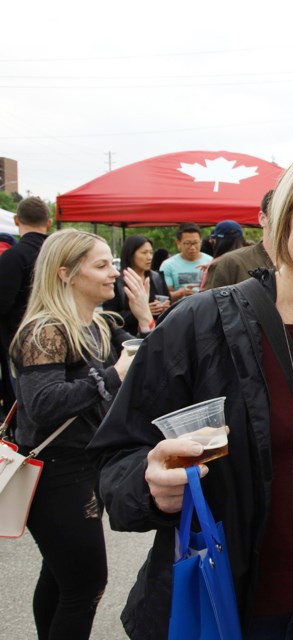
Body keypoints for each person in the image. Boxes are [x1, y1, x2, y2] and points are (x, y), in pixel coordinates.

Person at [87, 146, 293, 639]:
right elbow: (114, 462)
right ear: (279, 221)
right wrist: (150, 484)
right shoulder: (198, 324)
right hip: (221, 607)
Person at [8, 229, 150, 640]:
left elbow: (149, 359)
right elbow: (43, 404)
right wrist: (112, 375)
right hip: (56, 471)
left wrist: (143, 317)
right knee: (86, 584)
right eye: (102, 265)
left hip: (86, 465)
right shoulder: (45, 330)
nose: (113, 273)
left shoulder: (101, 324)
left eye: (112, 263)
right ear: (66, 273)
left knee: (60, 576)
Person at [0, 196, 51, 422]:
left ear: (16, 219)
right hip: (65, 340)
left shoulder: (13, 256)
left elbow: (2, 303)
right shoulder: (60, 255)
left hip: (20, 344)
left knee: (25, 408)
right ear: (48, 222)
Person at [201, 191, 276, 290]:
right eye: (277, 214)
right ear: (262, 219)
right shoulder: (230, 263)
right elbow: (208, 304)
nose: (285, 220)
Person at [102, 235, 172, 333]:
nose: (149, 257)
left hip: (156, 333)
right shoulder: (116, 281)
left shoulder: (157, 278)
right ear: (131, 254)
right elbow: (109, 316)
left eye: (151, 252)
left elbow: (168, 303)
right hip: (126, 339)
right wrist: (141, 312)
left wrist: (165, 307)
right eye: (144, 253)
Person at [158, 222, 212, 302]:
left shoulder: (210, 261)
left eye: (196, 243)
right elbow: (163, 296)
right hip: (179, 310)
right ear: (178, 243)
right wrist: (181, 293)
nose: (192, 247)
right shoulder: (168, 265)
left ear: (201, 241)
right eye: (188, 243)